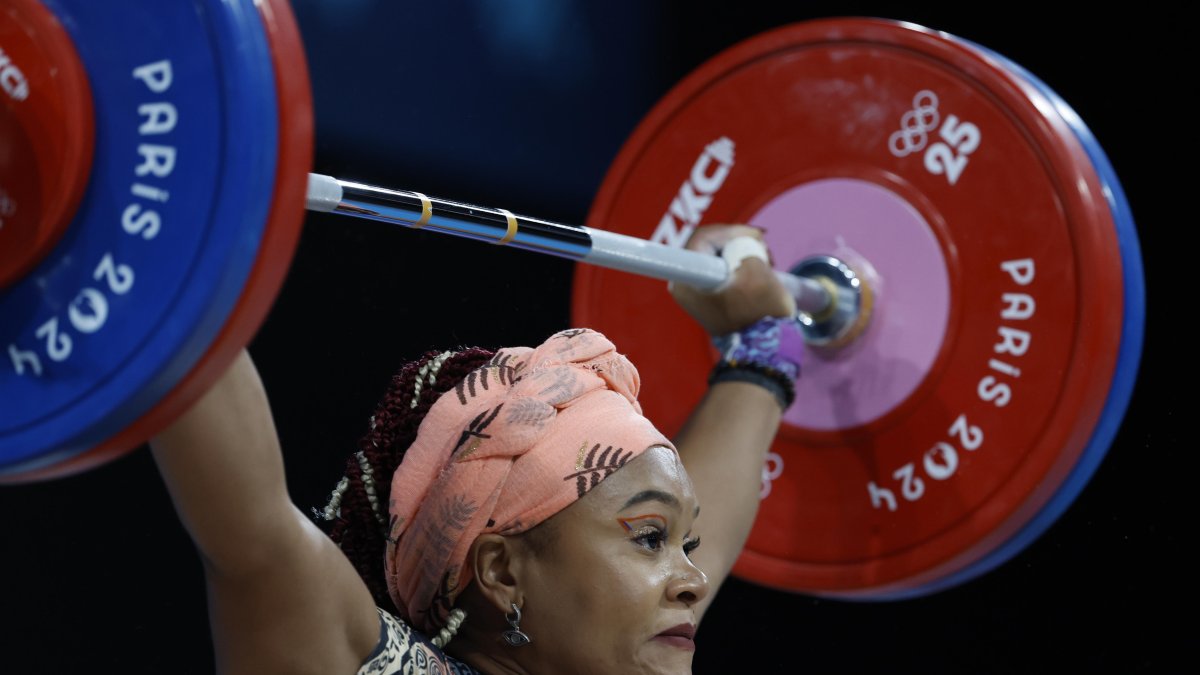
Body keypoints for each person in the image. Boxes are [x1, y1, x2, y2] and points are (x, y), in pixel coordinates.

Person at [149, 223, 800, 674]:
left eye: (683, 544)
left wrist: (765, 339)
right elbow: (253, 535)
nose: (695, 579)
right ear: (503, 572)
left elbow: (704, 498)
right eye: (651, 538)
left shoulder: (624, 639)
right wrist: (149, 235)